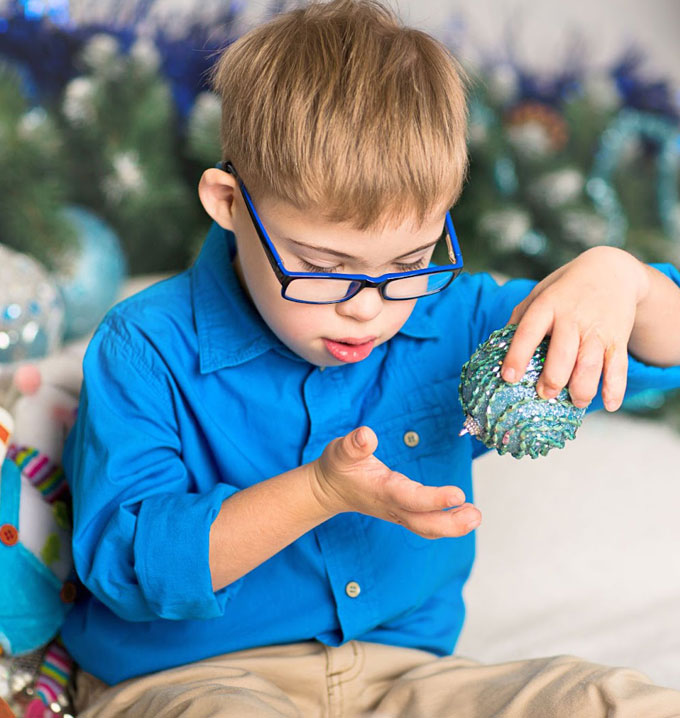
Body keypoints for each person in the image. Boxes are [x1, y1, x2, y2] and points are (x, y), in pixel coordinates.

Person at [61, 0, 680, 716]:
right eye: (323, 266)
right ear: (230, 202)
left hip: (402, 681)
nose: (369, 306)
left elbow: (659, 348)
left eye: (409, 262)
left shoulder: (453, 314)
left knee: (611, 700)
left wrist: (622, 280)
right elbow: (132, 570)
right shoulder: (144, 347)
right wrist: (320, 491)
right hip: (192, 683)